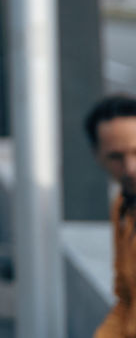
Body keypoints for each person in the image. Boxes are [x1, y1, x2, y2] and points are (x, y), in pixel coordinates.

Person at [85, 94, 136, 337]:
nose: (130, 168)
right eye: (116, 156)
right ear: (97, 155)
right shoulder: (122, 206)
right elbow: (126, 298)